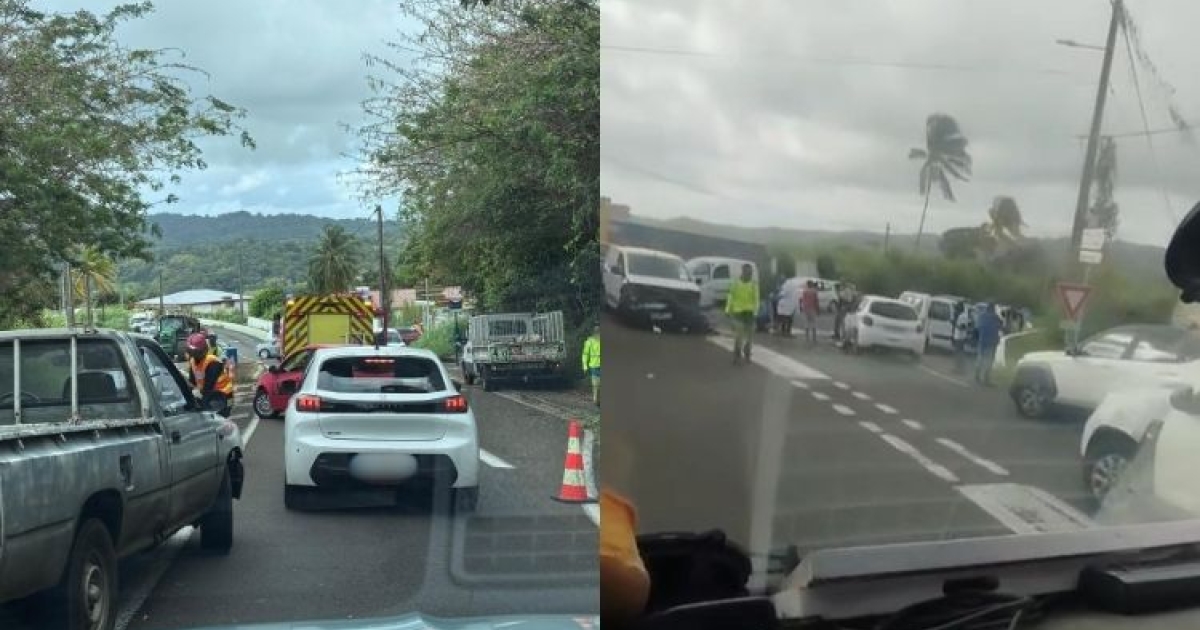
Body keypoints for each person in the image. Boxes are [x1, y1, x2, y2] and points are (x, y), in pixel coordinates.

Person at [185, 332, 234, 413]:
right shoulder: (193, 361)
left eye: (193, 352)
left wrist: (197, 397)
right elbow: (192, 382)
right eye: (190, 352)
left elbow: (208, 386)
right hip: (211, 396)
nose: (191, 354)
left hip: (224, 395)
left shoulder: (213, 363)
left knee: (217, 417)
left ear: (203, 350)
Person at [726, 264, 760, 365]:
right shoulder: (736, 283)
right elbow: (731, 296)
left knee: (750, 337)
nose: (749, 274)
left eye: (750, 273)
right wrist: (728, 309)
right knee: (739, 336)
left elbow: (756, 299)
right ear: (743, 272)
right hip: (738, 313)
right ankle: (737, 355)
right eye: (747, 272)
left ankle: (747, 352)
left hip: (749, 313)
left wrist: (756, 312)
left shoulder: (754, 284)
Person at [974, 303, 1002, 386]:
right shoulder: (995, 318)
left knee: (980, 359)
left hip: (982, 341)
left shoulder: (981, 316)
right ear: (993, 309)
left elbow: (977, 328)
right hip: (991, 342)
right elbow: (1001, 325)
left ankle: (977, 375)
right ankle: (986, 378)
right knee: (989, 361)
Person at [582, 324, 601, 407]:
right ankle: (596, 400)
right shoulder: (589, 341)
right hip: (594, 366)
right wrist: (585, 366)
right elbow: (585, 354)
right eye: (596, 331)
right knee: (596, 384)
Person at [952, 301, 970, 373]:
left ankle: (959, 369)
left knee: (959, 354)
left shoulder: (963, 316)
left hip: (960, 337)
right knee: (959, 353)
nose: (956, 310)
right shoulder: (962, 315)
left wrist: (954, 324)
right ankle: (959, 368)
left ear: (960, 308)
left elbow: (963, 327)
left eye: (957, 308)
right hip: (959, 337)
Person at [801, 280, 820, 345]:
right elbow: (816, 301)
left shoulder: (805, 291)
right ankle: (814, 338)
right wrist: (818, 309)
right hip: (812, 308)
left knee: (806, 323)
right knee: (813, 323)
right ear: (811, 284)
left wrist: (802, 308)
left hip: (806, 308)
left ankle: (807, 338)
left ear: (807, 285)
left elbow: (803, 300)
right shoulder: (814, 291)